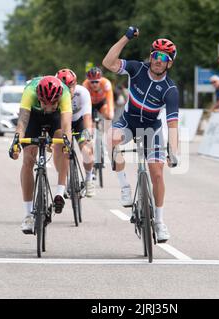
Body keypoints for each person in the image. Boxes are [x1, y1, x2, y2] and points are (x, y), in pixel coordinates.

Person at [102, 26, 179, 243]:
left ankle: (159, 221)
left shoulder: (170, 89)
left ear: (169, 63)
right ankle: (125, 186)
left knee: (157, 173)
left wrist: (173, 151)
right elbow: (108, 63)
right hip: (129, 121)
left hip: (151, 129)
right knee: (111, 138)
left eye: (163, 57)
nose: (157, 60)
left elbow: (172, 124)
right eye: (155, 55)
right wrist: (126, 37)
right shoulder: (137, 69)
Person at [9, 76, 72, 234]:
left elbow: (66, 125)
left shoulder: (64, 94)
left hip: (55, 120)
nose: (48, 107)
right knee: (28, 159)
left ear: (58, 99)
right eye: (44, 102)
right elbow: (22, 122)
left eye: (53, 103)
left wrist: (67, 144)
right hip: (33, 118)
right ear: (39, 97)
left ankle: (60, 192)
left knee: (62, 144)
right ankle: (28, 214)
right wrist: (16, 143)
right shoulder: (30, 92)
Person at [56, 68, 96, 197]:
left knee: (86, 150)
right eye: (64, 88)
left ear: (75, 84)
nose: (68, 91)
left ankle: (89, 180)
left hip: (79, 121)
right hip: (62, 122)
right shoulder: (55, 94)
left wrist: (88, 135)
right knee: (58, 150)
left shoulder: (82, 92)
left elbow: (87, 117)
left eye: (71, 87)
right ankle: (65, 180)